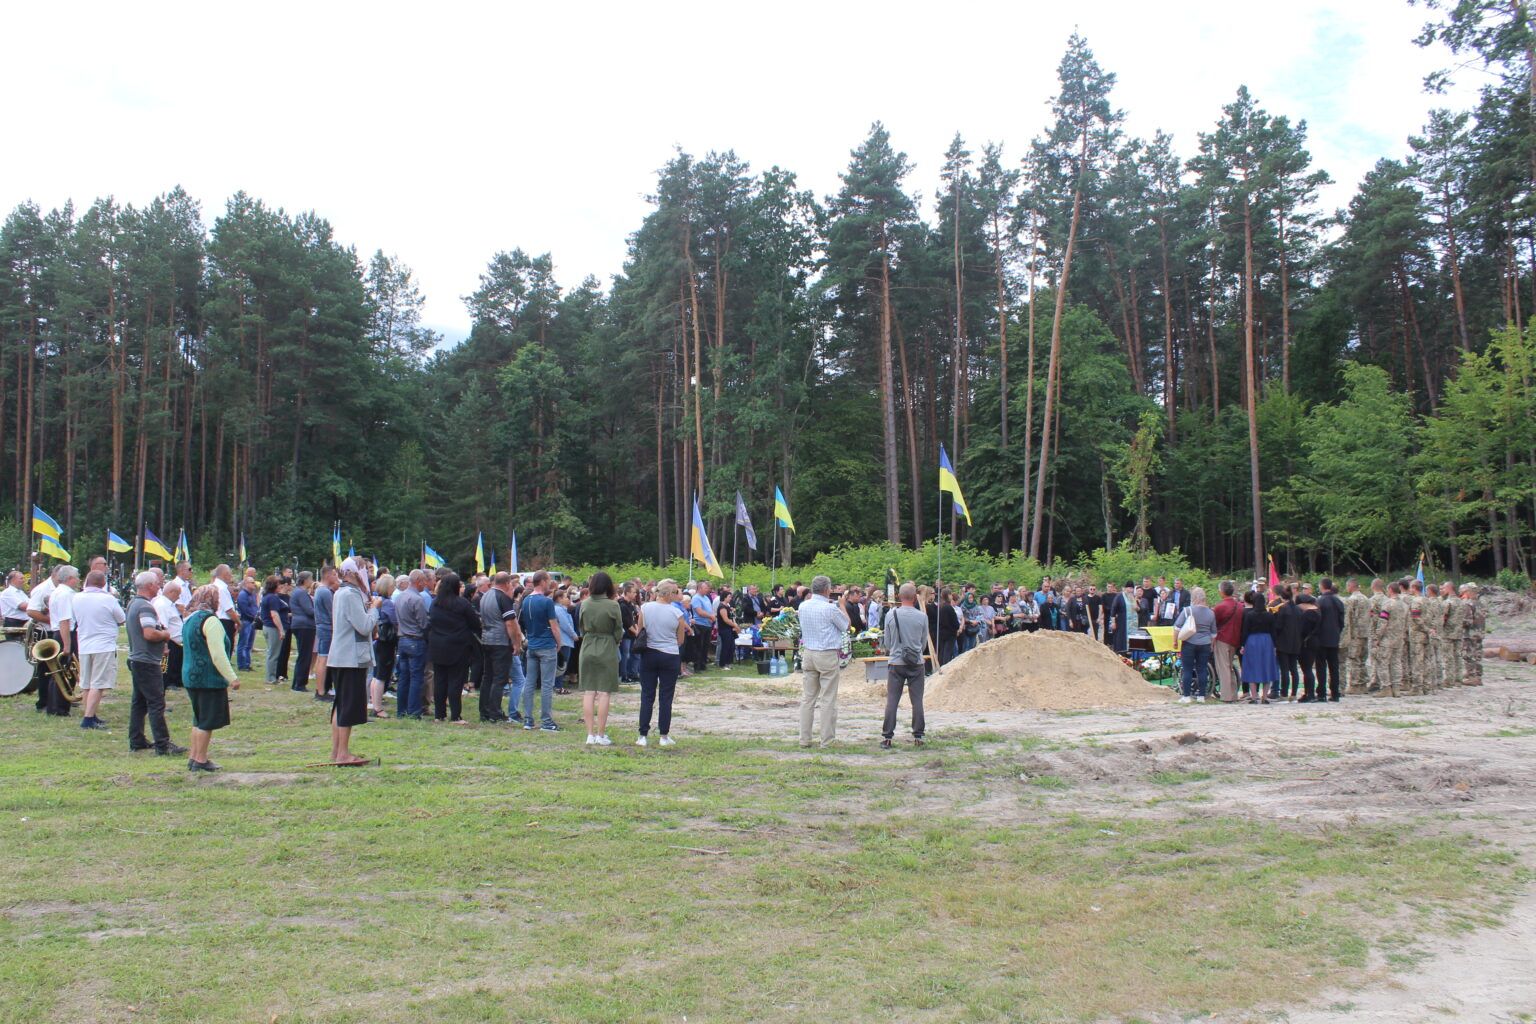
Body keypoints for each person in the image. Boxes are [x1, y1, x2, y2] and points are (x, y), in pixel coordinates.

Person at [125, 571, 184, 756]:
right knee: (156, 702)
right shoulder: (145, 607)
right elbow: (149, 633)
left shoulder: (133, 603)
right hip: (147, 661)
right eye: (157, 583)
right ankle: (162, 744)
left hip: (137, 658)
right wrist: (165, 635)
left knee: (139, 702)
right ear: (150, 585)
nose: (159, 586)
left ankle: (137, 739)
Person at [328, 558, 380, 761]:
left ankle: (336, 751)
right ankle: (342, 753)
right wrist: (374, 608)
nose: (366, 575)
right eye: (364, 571)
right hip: (349, 658)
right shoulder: (350, 594)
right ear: (352, 573)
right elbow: (364, 626)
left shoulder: (343, 592)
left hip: (343, 656)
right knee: (347, 707)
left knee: (341, 705)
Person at [182, 585, 239, 771]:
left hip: (190, 675)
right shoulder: (211, 621)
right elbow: (218, 654)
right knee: (207, 721)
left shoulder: (189, 619)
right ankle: (201, 759)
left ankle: (193, 756)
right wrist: (231, 677)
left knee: (198, 719)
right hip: (208, 678)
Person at [797, 575, 850, 748]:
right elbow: (846, 626)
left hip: (809, 652)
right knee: (828, 698)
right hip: (826, 653)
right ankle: (827, 740)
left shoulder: (803, 606)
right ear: (827, 590)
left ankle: (804, 739)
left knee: (808, 698)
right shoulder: (830, 608)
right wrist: (842, 606)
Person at [637, 579, 688, 746]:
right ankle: (664, 735)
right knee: (666, 697)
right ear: (668, 594)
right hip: (669, 654)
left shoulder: (645, 608)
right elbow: (680, 639)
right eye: (674, 592)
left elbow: (640, 631)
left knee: (647, 695)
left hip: (649, 653)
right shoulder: (676, 613)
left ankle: (642, 735)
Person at [73, 570, 126, 731]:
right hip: (103, 644)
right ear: (103, 583)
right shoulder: (108, 599)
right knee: (98, 683)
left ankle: (89, 714)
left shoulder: (76, 597)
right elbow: (121, 618)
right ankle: (88, 718)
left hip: (84, 643)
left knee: (86, 683)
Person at [426, 572, 479, 725]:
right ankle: (455, 716)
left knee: (440, 681)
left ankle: (439, 714)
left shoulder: (435, 603)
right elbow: (474, 623)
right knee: (455, 681)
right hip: (458, 646)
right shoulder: (462, 603)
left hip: (437, 645)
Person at [881, 583, 929, 748]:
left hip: (896, 662)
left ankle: (887, 737)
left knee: (892, 700)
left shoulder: (890, 615)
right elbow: (923, 644)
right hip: (916, 662)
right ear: (915, 597)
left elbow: (886, 641)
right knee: (917, 701)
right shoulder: (922, 616)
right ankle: (919, 736)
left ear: (899, 597)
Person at [578, 571, 623, 746]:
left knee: (589, 691)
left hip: (588, 644)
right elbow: (618, 630)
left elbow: (581, 627)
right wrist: (615, 641)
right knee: (604, 692)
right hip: (607, 645)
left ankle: (590, 734)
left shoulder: (585, 604)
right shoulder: (613, 605)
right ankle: (601, 734)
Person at [516, 571, 561, 731]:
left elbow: (520, 621)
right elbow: (554, 625)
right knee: (547, 684)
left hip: (532, 645)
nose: (550, 583)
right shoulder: (546, 602)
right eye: (548, 580)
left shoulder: (526, 600)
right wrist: (559, 642)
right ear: (542, 581)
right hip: (547, 645)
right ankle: (546, 721)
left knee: (529, 682)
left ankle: (528, 719)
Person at [477, 572, 522, 723]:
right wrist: (516, 642)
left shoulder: (485, 596)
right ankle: (495, 713)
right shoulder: (503, 598)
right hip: (500, 642)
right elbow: (510, 623)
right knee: (499, 678)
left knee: (487, 677)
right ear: (507, 583)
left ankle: (484, 711)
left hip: (486, 640)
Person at [394, 570, 429, 720]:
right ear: (419, 581)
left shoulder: (400, 596)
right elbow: (423, 623)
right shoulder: (417, 599)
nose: (426, 584)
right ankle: (414, 711)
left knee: (404, 677)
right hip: (415, 639)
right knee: (416, 677)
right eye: (425, 581)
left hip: (402, 639)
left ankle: (401, 710)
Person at [1173, 587, 1217, 703]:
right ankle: (1201, 696)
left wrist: (1175, 641)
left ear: (1195, 598)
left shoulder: (1187, 610)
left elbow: (1177, 627)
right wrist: (1211, 645)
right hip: (1205, 644)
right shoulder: (1211, 613)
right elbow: (1214, 633)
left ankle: (1186, 696)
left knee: (1187, 669)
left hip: (1189, 643)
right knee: (1202, 669)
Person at [1239, 589, 1279, 704]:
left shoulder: (1250, 615)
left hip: (1252, 641)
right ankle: (1265, 697)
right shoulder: (1269, 616)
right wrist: (1275, 646)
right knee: (1266, 667)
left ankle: (1254, 696)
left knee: (1252, 667)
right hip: (1267, 641)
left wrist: (1243, 645)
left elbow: (1245, 631)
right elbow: (1273, 632)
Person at [1371, 581, 1408, 697]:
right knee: (1396, 662)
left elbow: (1383, 622)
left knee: (1382, 662)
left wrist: (1377, 637)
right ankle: (1396, 688)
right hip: (1399, 638)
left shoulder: (1388, 604)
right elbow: (1407, 623)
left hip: (1387, 638)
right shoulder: (1405, 605)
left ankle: (1386, 687)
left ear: (1390, 590)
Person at [1311, 578, 1346, 702]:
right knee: (1334, 666)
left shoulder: (1319, 601)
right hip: (1334, 637)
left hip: (1321, 638)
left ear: (1321, 586)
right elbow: (1342, 622)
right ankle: (1335, 693)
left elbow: (1316, 620)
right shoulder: (1338, 602)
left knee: (1321, 667)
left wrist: (1313, 634)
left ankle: (1321, 693)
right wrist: (1337, 632)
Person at [370, 574, 399, 718]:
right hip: (386, 641)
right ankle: (378, 707)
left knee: (376, 675)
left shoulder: (376, 599)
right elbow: (395, 621)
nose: (394, 589)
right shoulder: (388, 603)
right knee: (382, 675)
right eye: (393, 586)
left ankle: (374, 704)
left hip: (378, 641)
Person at [155, 578, 187, 696]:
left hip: (176, 641)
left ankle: (174, 681)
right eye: (177, 594)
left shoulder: (170, 604)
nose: (178, 597)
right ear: (171, 592)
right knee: (166, 668)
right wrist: (165, 644)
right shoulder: (162, 605)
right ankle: (166, 685)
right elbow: (163, 625)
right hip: (170, 641)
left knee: (175, 664)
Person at [312, 566, 338, 701]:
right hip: (326, 628)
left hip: (323, 627)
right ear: (328, 576)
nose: (336, 577)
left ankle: (322, 689)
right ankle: (321, 691)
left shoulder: (320, 590)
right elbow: (332, 612)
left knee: (323, 658)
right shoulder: (325, 592)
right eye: (334, 574)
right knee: (323, 658)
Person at [1273, 585, 1303, 701]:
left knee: (1284, 669)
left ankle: (1284, 693)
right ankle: (1294, 693)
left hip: (1283, 642)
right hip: (1296, 642)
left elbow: (1278, 626)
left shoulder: (1283, 609)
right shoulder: (1298, 609)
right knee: (1294, 669)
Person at [289, 572, 317, 693]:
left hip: (300, 624)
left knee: (303, 655)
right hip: (304, 626)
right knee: (305, 655)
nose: (312, 581)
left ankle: (297, 682)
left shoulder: (297, 592)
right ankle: (300, 683)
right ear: (305, 580)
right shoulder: (301, 593)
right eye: (310, 579)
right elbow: (309, 611)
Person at [260, 575, 287, 685]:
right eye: (279, 584)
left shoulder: (266, 596)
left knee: (271, 652)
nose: (281, 586)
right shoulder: (273, 598)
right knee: (274, 653)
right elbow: (274, 614)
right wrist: (281, 629)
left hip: (267, 626)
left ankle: (270, 676)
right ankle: (271, 678)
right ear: (274, 585)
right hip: (272, 628)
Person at [1440, 582, 1467, 687]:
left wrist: (1439, 627)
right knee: (1458, 656)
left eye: (1444, 588)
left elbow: (1444, 617)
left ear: (1449, 588)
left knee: (1448, 657)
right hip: (1459, 632)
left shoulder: (1448, 602)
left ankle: (1449, 679)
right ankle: (1458, 679)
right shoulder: (1462, 602)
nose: (1442, 590)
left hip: (1448, 632)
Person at [687, 580, 716, 674]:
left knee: (705, 646)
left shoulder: (707, 598)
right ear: (699, 588)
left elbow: (710, 609)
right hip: (699, 624)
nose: (707, 589)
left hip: (707, 624)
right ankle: (697, 666)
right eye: (705, 588)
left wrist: (712, 616)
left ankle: (703, 664)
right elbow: (699, 611)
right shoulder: (696, 598)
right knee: (698, 646)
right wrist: (710, 616)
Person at [1459, 582, 1485, 686]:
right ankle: (1478, 676)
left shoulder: (1468, 604)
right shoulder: (1480, 604)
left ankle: (1471, 676)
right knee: (1477, 655)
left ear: (1468, 592)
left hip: (1469, 634)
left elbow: (1467, 621)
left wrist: (1459, 623)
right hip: (1480, 633)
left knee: (1468, 655)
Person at [236, 577, 260, 671]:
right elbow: (244, 610)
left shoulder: (252, 595)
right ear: (246, 584)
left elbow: (255, 607)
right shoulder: (242, 595)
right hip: (245, 621)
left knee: (249, 644)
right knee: (243, 644)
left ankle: (247, 664)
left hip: (252, 622)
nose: (254, 584)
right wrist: (252, 616)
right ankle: (241, 665)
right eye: (252, 582)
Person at [212, 564, 239, 647]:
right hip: (225, 622)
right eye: (230, 573)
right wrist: (239, 622)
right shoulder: (222, 588)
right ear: (225, 574)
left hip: (216, 620)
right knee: (226, 647)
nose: (231, 576)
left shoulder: (214, 585)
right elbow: (229, 611)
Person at [716, 586, 739, 669]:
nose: (731, 598)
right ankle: (723, 664)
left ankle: (728, 662)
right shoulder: (722, 607)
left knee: (731, 646)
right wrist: (735, 625)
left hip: (730, 629)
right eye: (729, 597)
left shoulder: (728, 606)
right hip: (724, 629)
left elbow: (731, 617)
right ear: (725, 597)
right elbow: (725, 619)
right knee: (725, 646)